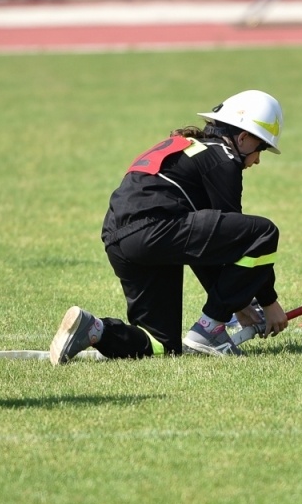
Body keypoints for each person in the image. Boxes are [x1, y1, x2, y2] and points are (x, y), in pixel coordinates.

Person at [50, 89, 289, 362]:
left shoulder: (191, 148)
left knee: (162, 343)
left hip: (120, 238)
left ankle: (94, 329)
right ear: (243, 138)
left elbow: (209, 246)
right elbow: (235, 244)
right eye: (261, 149)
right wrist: (267, 302)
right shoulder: (223, 157)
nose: (257, 160)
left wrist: (238, 301)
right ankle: (210, 331)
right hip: (156, 230)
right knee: (263, 232)